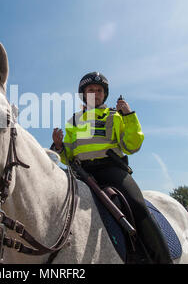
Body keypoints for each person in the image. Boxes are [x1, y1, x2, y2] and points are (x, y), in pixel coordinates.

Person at [51, 71, 173, 264]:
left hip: (113, 171)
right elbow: (69, 157)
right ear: (83, 94)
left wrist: (129, 116)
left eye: (99, 90)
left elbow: (132, 146)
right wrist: (58, 147)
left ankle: (161, 260)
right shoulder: (73, 121)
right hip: (82, 174)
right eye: (91, 90)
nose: (96, 93)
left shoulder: (116, 116)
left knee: (138, 206)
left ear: (104, 94)